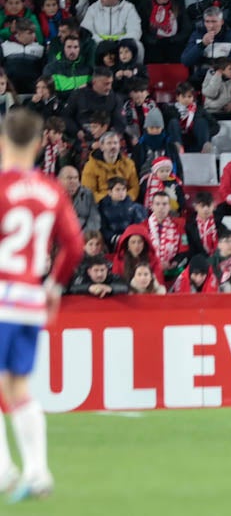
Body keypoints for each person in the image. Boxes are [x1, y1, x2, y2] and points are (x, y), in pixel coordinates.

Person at [0, 109, 85, 501]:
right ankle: (37, 473)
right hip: (31, 299)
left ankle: (6, 470)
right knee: (17, 386)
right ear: (37, 144)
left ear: (3, 141)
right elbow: (75, 246)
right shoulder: (51, 190)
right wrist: (52, 287)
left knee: (9, 387)